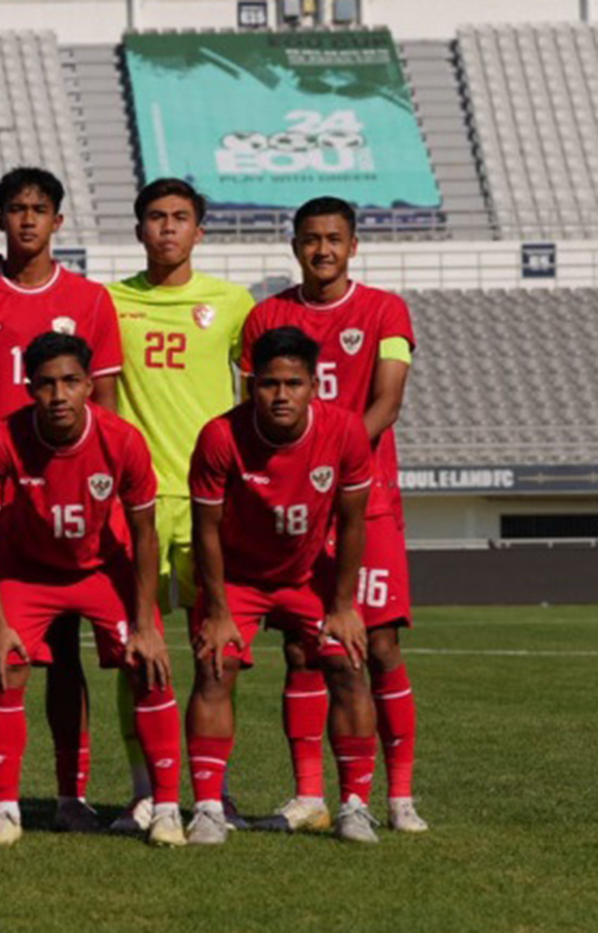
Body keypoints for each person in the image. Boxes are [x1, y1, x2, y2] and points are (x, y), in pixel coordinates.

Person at [0, 167, 122, 834]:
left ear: (58, 221)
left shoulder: (91, 300)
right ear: (0, 219)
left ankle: (70, 792)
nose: (28, 220)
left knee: (66, 651)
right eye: (16, 209)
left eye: (39, 209)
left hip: (66, 503)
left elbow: (106, 408)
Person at [242, 197, 426, 834]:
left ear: (353, 245)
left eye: (334, 239)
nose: (323, 250)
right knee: (301, 649)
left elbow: (389, 401)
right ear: (294, 244)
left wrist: (336, 463)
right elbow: (254, 407)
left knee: (375, 644)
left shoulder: (385, 310)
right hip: (292, 509)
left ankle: (398, 796)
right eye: (311, 239)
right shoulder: (266, 315)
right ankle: (310, 796)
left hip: (363, 503)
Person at [0, 333, 182, 847]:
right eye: (45, 384)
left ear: (89, 385)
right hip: (30, 572)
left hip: (102, 570)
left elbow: (146, 533)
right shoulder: (1, 440)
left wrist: (146, 622)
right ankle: (6, 811)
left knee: (150, 663)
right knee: (4, 665)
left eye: (69, 382)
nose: (58, 395)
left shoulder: (122, 440)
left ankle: (168, 807)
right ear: (28, 388)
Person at [185, 325, 380, 846]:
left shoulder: (344, 432)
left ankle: (355, 806)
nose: (281, 395)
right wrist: (219, 610)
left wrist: (343, 605)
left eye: (293, 384)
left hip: (306, 574)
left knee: (346, 662)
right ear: (251, 387)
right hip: (239, 577)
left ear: (315, 386)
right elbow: (205, 530)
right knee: (214, 663)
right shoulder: (220, 436)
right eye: (269, 384)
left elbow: (354, 523)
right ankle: (207, 807)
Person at [104, 178, 256, 833]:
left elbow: (252, 397)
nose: (168, 228)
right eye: (156, 218)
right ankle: (146, 789)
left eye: (180, 218)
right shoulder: (108, 302)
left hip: (208, 500)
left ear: (200, 230)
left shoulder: (233, 303)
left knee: (214, 649)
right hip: (134, 500)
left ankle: (210, 795)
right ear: (139, 229)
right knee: (137, 649)